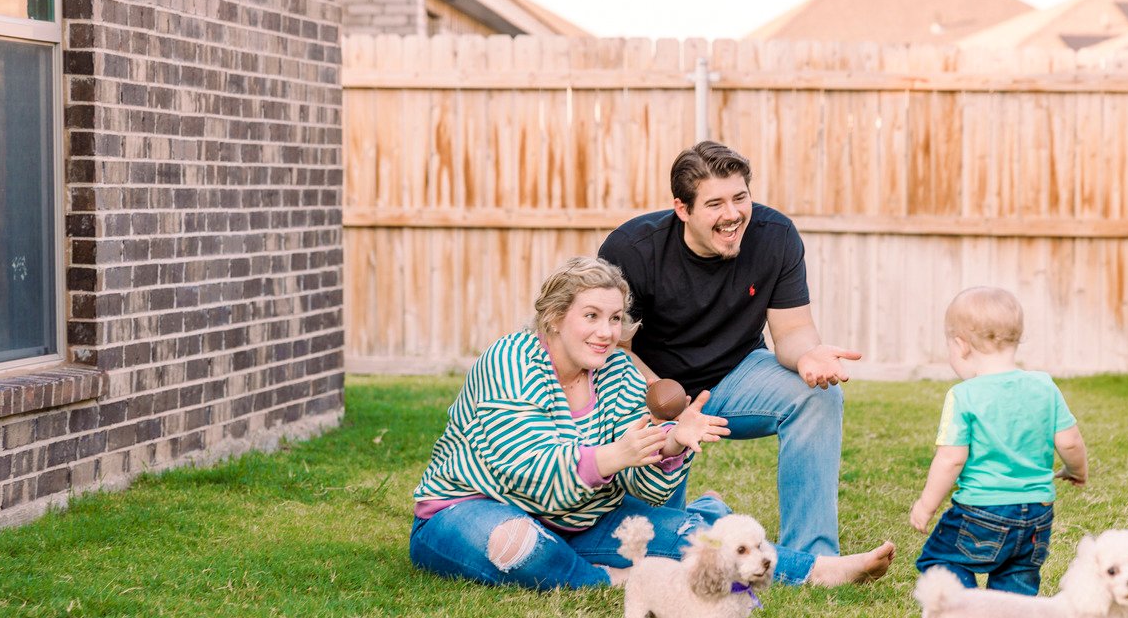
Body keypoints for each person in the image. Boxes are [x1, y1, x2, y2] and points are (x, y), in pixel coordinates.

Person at [409, 256, 894, 591]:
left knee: (693, 537)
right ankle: (608, 579)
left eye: (616, 319)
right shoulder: (511, 359)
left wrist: (670, 446)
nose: (606, 333)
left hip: (583, 521)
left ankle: (820, 570)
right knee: (521, 547)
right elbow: (532, 475)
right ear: (555, 317)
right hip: (472, 509)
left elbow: (646, 488)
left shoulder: (618, 372)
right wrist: (617, 454)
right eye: (592, 316)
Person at [598, 141, 864, 559]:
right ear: (682, 209)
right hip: (655, 390)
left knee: (818, 395)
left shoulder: (775, 237)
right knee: (654, 548)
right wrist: (668, 407)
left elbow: (792, 329)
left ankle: (815, 556)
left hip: (737, 374)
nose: (733, 215)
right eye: (715, 204)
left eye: (740, 198)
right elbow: (616, 351)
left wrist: (808, 356)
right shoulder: (632, 250)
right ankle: (707, 511)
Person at [908, 286, 1088, 594]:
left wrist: (926, 505)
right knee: (1016, 581)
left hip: (981, 511)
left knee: (940, 561)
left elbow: (951, 459)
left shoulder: (963, 395)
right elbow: (1070, 442)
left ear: (961, 345)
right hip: (1038, 513)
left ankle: (964, 616)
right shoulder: (1044, 386)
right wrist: (1077, 471)